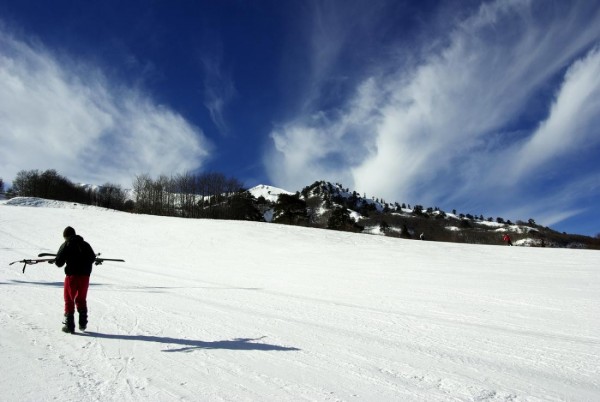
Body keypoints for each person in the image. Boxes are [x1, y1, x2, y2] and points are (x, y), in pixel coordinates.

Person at [55, 226, 96, 333]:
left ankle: (69, 326)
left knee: (69, 299)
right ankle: (82, 324)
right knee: (81, 299)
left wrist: (64, 258)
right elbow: (92, 257)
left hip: (72, 277)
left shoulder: (66, 244)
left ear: (66, 236)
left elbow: (59, 262)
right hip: (85, 277)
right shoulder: (85, 244)